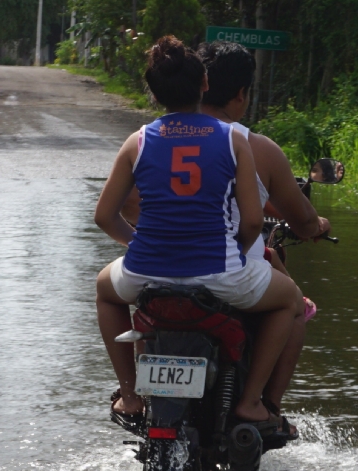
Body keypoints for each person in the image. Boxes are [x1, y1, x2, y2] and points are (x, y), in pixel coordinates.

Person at [94, 35, 303, 431]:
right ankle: (252, 402)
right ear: (204, 84)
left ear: (155, 95)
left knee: (105, 291)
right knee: (290, 301)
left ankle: (130, 395)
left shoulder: (137, 141)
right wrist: (238, 252)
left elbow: (105, 216)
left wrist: (136, 244)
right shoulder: (233, 140)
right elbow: (255, 222)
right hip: (219, 272)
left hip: (146, 272)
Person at [195, 40, 330, 415]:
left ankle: (134, 395)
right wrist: (316, 224)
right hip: (231, 272)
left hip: (161, 266)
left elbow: (128, 207)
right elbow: (296, 220)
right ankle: (261, 404)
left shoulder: (156, 139)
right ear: (241, 94)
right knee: (295, 305)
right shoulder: (255, 147)